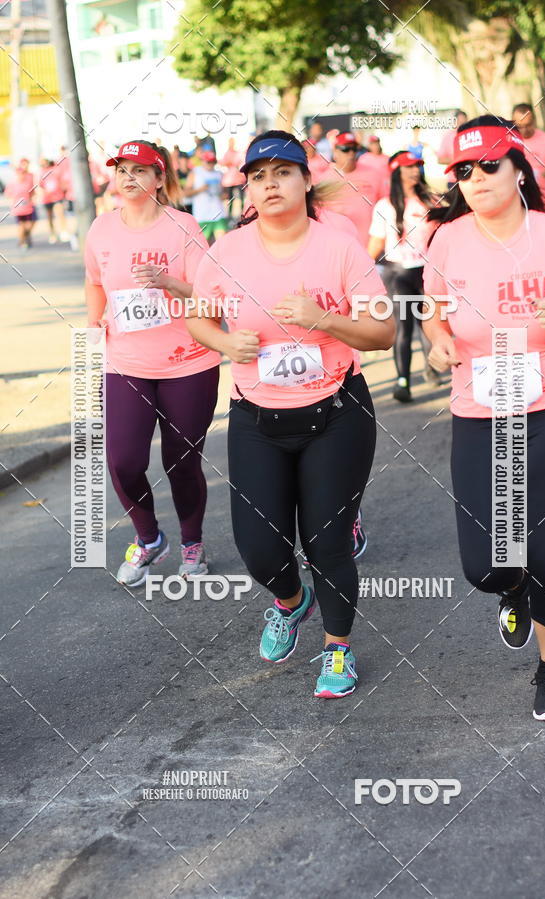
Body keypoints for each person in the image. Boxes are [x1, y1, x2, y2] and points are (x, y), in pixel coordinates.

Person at [186, 130, 395, 698]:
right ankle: (289, 600)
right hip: (257, 418)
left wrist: (324, 320)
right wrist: (226, 346)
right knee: (260, 547)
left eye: (282, 172)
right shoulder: (227, 250)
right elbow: (199, 319)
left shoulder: (340, 247)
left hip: (337, 413)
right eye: (258, 176)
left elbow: (383, 331)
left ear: (307, 180)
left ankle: (337, 650)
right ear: (248, 189)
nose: (270, 184)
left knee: (327, 542)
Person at [423, 116, 545, 720]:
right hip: (482, 414)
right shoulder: (447, 241)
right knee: (487, 564)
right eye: (463, 170)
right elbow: (432, 312)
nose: (476, 178)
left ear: (519, 169)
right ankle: (513, 588)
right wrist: (436, 340)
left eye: (489, 165)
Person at [84, 139, 221, 587]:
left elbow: (211, 296)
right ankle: (148, 538)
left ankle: (191, 543)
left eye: (140, 170)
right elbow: (94, 282)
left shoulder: (184, 227)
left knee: (181, 461)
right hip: (125, 361)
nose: (128, 177)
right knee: (123, 459)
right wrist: (92, 322)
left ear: (160, 179)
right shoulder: (101, 229)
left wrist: (167, 282)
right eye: (121, 169)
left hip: (188, 361)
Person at [368, 151, 440, 402]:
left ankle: (432, 368)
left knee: (430, 325)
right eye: (409, 167)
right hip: (397, 273)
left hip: (427, 271)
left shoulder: (431, 201)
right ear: (397, 171)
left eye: (418, 165)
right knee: (403, 328)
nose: (414, 171)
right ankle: (403, 382)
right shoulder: (385, 206)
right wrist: (361, 273)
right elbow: (375, 244)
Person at [314, 132, 385, 247]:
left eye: (354, 149)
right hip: (336, 249)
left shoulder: (374, 174)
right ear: (335, 151)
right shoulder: (323, 180)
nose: (351, 153)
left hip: (370, 248)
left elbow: (385, 205)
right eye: (346, 149)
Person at [512, 103, 545, 209]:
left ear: (535, 121)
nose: (524, 130)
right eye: (520, 126)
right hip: (515, 205)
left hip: (541, 204)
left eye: (528, 125)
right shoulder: (508, 140)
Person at [184, 150, 228, 242]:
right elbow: (185, 193)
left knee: (222, 244)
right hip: (202, 216)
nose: (211, 164)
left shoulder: (218, 174)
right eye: (208, 162)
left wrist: (223, 195)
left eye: (213, 162)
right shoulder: (195, 172)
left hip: (218, 213)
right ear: (202, 161)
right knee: (203, 246)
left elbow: (223, 193)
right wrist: (200, 189)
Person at [6, 158, 36, 251]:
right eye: (19, 173)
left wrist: (31, 200)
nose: (21, 175)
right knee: (21, 226)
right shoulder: (12, 183)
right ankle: (23, 242)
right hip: (18, 209)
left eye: (22, 173)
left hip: (28, 208)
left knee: (28, 225)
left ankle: (25, 239)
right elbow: (8, 194)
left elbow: (32, 193)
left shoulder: (28, 182)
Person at [437, 109, 467, 190]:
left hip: (469, 179)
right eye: (459, 122)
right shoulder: (448, 136)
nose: (461, 125)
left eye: (464, 123)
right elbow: (440, 160)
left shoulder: (471, 135)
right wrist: (459, 159)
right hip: (453, 181)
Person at [219, 137, 246, 219]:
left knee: (241, 198)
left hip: (239, 179)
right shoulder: (227, 153)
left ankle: (243, 215)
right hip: (230, 181)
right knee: (230, 199)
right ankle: (230, 216)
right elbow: (222, 162)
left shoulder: (238, 153)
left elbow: (241, 162)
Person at [39, 158, 64, 244]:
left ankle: (63, 231)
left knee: (60, 213)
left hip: (57, 196)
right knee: (49, 217)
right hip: (47, 197)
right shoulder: (41, 172)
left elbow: (61, 181)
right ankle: (52, 234)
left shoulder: (55, 169)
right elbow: (40, 185)